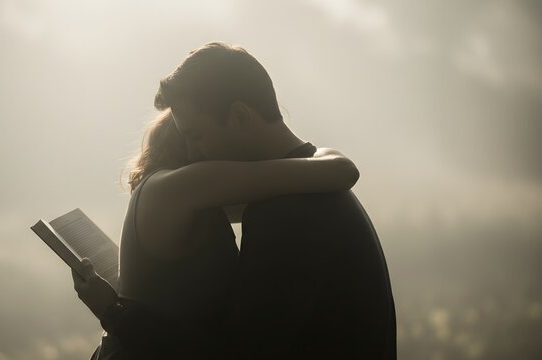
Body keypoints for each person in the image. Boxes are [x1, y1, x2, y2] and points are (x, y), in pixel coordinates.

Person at [77, 41, 397, 359]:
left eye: (197, 136)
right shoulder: (312, 190)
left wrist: (115, 314)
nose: (192, 155)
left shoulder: (285, 213)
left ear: (241, 116)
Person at [73, 109, 361, 359]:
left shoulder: (181, 195)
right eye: (197, 136)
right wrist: (324, 154)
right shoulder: (182, 186)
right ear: (188, 143)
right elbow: (341, 171)